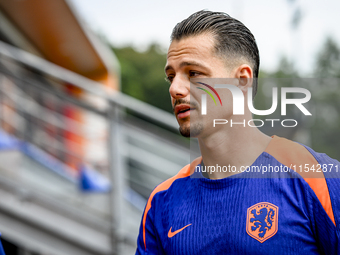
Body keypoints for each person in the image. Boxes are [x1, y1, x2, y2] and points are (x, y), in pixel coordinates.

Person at [135, 10, 340, 254]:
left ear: (242, 81)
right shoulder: (162, 203)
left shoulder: (319, 178)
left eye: (193, 73)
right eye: (171, 76)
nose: (176, 88)